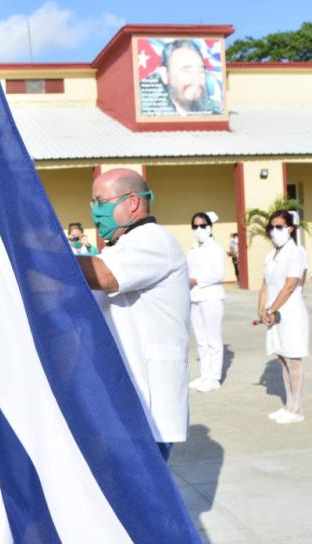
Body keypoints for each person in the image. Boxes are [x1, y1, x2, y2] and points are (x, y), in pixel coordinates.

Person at [76, 168, 190, 461]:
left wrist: (39, 255)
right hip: (124, 400)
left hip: (148, 406)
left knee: (145, 502)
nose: (94, 211)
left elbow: (104, 276)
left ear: (132, 202)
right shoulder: (119, 247)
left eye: (100, 201)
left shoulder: (154, 240)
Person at [258, 210, 309, 425]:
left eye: (279, 227)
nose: (274, 231)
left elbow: (290, 286)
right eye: (272, 227)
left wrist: (272, 309)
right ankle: (288, 404)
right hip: (273, 311)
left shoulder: (295, 252)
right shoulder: (271, 255)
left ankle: (297, 408)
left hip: (290, 312)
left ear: (290, 229)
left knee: (293, 359)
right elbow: (265, 285)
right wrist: (262, 309)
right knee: (281, 357)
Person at [187, 211, 226, 393]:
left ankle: (214, 377)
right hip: (195, 296)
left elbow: (218, 274)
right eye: (196, 226)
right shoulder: (193, 248)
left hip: (211, 296)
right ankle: (205, 374)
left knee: (213, 339)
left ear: (210, 227)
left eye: (203, 225)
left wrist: (196, 280)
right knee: (201, 340)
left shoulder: (216, 248)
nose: (199, 229)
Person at [141, 39, 222, 116]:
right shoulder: (147, 110)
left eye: (200, 71)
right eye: (186, 71)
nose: (196, 78)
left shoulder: (216, 111)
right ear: (165, 75)